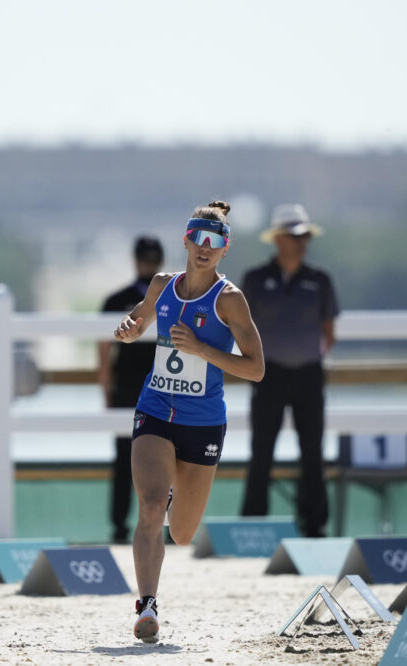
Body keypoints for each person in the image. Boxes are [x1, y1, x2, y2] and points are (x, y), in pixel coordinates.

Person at [113, 200, 264, 643]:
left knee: (181, 532)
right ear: (185, 240)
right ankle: (147, 606)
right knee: (151, 504)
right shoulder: (163, 284)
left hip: (202, 423)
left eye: (214, 242)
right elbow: (139, 319)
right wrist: (128, 327)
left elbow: (256, 369)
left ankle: (176, 486)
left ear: (224, 250)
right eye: (197, 238)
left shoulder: (230, 299)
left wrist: (202, 350)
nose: (204, 247)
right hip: (155, 408)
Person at [239, 203, 339, 538]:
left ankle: (315, 525)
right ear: (279, 239)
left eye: (306, 236)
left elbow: (329, 331)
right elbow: (239, 326)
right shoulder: (254, 280)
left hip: (308, 373)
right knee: (261, 450)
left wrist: (307, 354)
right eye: (297, 236)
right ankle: (253, 525)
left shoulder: (320, 280)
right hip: (268, 375)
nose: (303, 242)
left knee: (313, 451)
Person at [98, 236, 165, 544]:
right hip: (128, 387)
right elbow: (102, 351)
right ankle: (120, 525)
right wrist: (106, 390)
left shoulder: (170, 297)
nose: (149, 264)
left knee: (164, 458)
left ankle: (164, 525)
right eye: (146, 258)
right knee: (124, 458)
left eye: (153, 259)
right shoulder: (116, 301)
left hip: (159, 384)